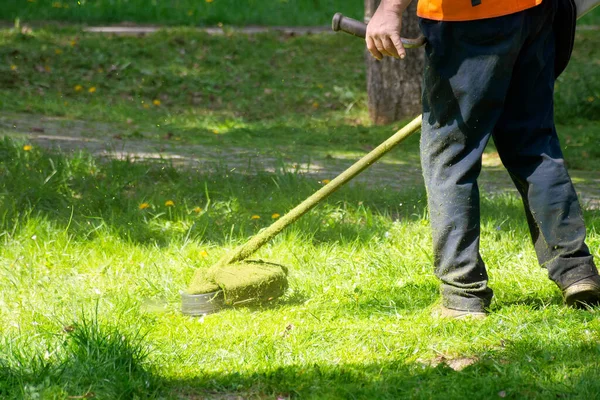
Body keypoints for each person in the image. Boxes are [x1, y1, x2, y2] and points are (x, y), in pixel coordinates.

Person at [365, 0, 599, 318]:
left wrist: (390, 9)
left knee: (450, 156)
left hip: (468, 18)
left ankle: (462, 295)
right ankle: (577, 272)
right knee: (533, 145)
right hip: (532, 12)